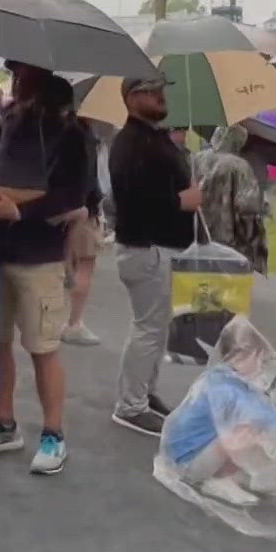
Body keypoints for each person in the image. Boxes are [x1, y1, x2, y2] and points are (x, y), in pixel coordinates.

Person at [0, 63, 95, 475]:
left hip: (39, 258)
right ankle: (4, 425)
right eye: (13, 72)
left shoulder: (71, 134)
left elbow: (73, 195)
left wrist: (19, 213)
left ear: (39, 79)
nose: (15, 79)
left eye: (21, 72)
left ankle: (53, 435)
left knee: (43, 349)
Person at [107, 77, 205, 436]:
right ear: (132, 98)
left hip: (161, 246)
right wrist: (182, 201)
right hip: (147, 246)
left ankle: (144, 394)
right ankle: (131, 404)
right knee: (148, 328)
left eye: (162, 88)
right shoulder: (131, 143)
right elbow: (133, 201)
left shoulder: (152, 138)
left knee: (156, 326)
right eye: (150, 91)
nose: (161, 95)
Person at [190, 123, 270, 274]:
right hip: (229, 241)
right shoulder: (239, 166)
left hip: (198, 234)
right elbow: (247, 206)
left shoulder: (197, 158)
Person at [61, 119, 107, 347]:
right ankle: (73, 323)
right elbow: (87, 178)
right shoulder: (83, 135)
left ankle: (60, 319)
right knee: (84, 266)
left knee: (65, 263)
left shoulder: (54, 128)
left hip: (59, 208)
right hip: (82, 208)